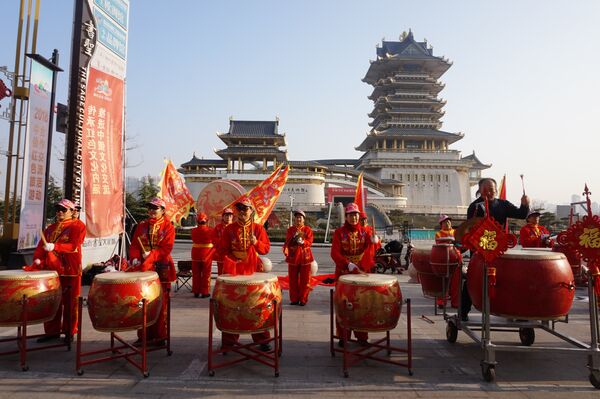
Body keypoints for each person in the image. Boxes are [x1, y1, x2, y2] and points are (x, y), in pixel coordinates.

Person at [461, 178, 530, 320]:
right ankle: (463, 311)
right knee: (473, 279)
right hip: (480, 250)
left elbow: (521, 215)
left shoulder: (503, 204)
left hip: (499, 250)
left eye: (492, 189)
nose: (489, 192)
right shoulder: (474, 207)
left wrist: (525, 205)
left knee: (508, 279)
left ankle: (515, 312)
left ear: (496, 190)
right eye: (485, 190)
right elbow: (470, 228)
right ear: (479, 191)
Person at [25, 198, 85, 343]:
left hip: (70, 270)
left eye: (63, 210)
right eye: (57, 209)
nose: (59, 212)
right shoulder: (50, 228)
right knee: (52, 301)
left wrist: (55, 247)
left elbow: (73, 246)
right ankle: (52, 332)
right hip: (52, 270)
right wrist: (37, 260)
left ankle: (70, 331)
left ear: (72, 211)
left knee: (70, 302)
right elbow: (40, 247)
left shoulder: (78, 226)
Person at [219, 198, 272, 351]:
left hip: (253, 269)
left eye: (245, 208)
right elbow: (222, 249)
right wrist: (231, 260)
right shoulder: (229, 229)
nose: (242, 211)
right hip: (234, 270)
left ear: (251, 211)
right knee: (231, 306)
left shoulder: (258, 228)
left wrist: (256, 242)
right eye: (239, 208)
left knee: (256, 303)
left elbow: (265, 249)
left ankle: (262, 339)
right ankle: (229, 341)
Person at [127, 197, 176, 346]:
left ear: (163, 211)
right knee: (143, 301)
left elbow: (166, 248)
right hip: (143, 267)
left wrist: (152, 255)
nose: (152, 211)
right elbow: (135, 244)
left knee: (160, 303)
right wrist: (135, 257)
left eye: (155, 208)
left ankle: (160, 336)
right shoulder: (142, 225)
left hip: (162, 267)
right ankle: (144, 336)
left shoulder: (168, 227)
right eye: (150, 208)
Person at [330, 202, 374, 346]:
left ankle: (362, 336)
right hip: (343, 273)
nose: (354, 218)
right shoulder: (339, 232)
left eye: (356, 215)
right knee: (343, 305)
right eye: (351, 215)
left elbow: (371, 246)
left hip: (360, 272)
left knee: (361, 304)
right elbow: (335, 253)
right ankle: (343, 336)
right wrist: (346, 264)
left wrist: (376, 242)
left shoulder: (365, 231)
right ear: (346, 217)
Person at [283, 209, 315, 306]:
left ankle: (303, 299)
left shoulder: (308, 230)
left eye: (300, 217)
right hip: (293, 257)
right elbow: (287, 242)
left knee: (305, 280)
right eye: (297, 217)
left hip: (305, 257)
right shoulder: (291, 230)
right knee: (292, 280)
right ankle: (294, 299)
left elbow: (310, 242)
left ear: (303, 219)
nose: (298, 219)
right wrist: (293, 240)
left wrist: (303, 242)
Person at [190, 212, 215, 298]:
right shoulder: (211, 230)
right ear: (206, 221)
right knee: (206, 274)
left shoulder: (193, 231)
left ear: (197, 221)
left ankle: (196, 291)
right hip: (207, 254)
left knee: (196, 273)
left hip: (196, 253)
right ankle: (205, 292)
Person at [212, 208, 234, 275]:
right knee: (221, 273)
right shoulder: (218, 227)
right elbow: (213, 240)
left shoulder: (235, 227)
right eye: (226, 215)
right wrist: (222, 241)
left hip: (232, 254)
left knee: (231, 273)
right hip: (221, 254)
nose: (228, 217)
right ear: (223, 216)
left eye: (230, 215)